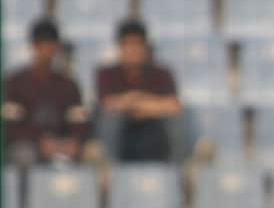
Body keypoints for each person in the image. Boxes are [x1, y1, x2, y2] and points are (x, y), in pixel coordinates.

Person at [2, 19, 90, 167]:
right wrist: (39, 141)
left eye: (51, 45)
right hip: (28, 145)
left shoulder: (69, 85)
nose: (47, 51)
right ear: (33, 47)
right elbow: (10, 126)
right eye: (41, 45)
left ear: (57, 48)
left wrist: (74, 141)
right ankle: (24, 191)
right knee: (25, 154)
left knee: (91, 153)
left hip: (62, 144)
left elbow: (79, 122)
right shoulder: (14, 83)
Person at [95, 19, 184, 163]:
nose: (133, 50)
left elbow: (173, 106)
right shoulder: (106, 74)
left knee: (176, 119)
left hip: (154, 136)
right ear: (120, 47)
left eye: (137, 44)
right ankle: (108, 172)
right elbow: (107, 105)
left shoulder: (162, 74)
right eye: (127, 45)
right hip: (122, 137)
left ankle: (178, 171)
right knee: (109, 119)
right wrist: (150, 105)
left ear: (145, 47)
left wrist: (132, 102)